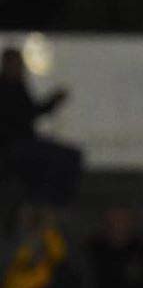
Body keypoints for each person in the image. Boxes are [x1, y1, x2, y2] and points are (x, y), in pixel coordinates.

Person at [0, 46, 82, 206]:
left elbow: (29, 113)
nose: (19, 68)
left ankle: (47, 199)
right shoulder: (7, 88)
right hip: (13, 146)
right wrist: (52, 102)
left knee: (63, 159)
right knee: (67, 157)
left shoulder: (16, 86)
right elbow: (25, 115)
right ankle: (50, 200)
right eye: (15, 64)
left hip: (21, 144)